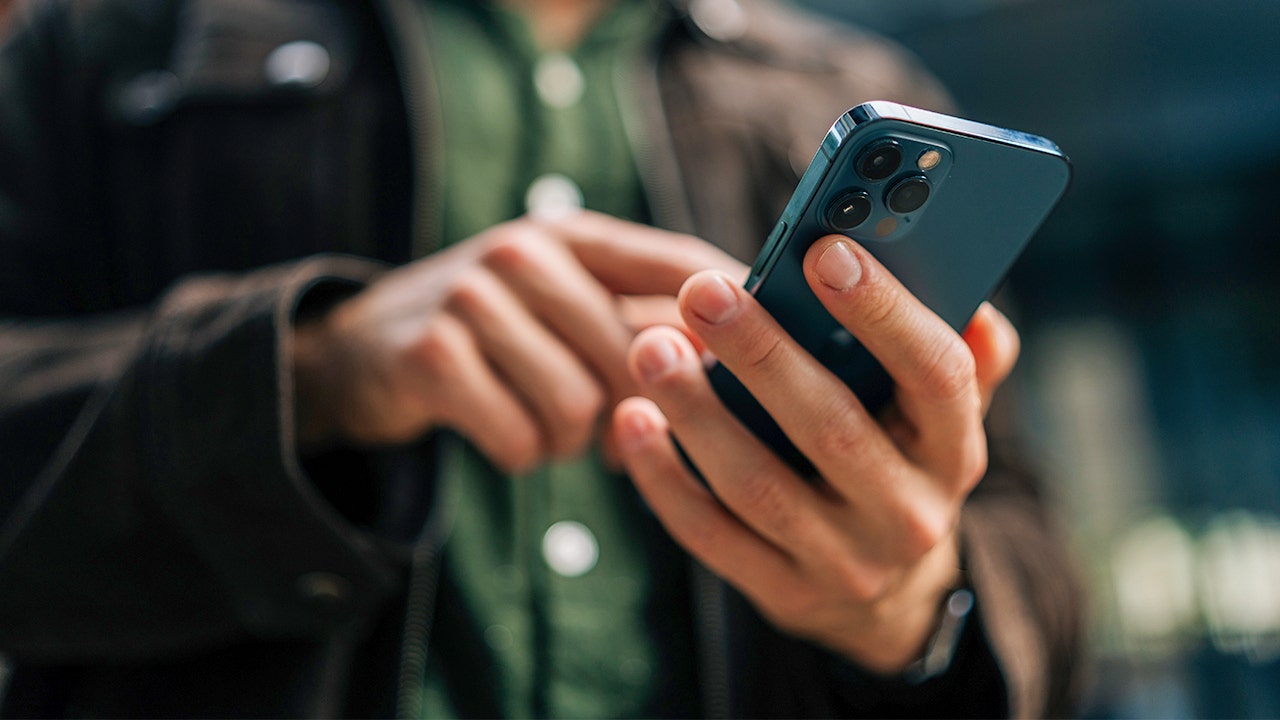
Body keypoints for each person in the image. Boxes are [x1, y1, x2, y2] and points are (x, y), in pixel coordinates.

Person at [0, 0, 1082, 716]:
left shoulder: (836, 84)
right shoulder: (108, 46)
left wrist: (911, 609)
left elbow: (1036, 564)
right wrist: (320, 370)